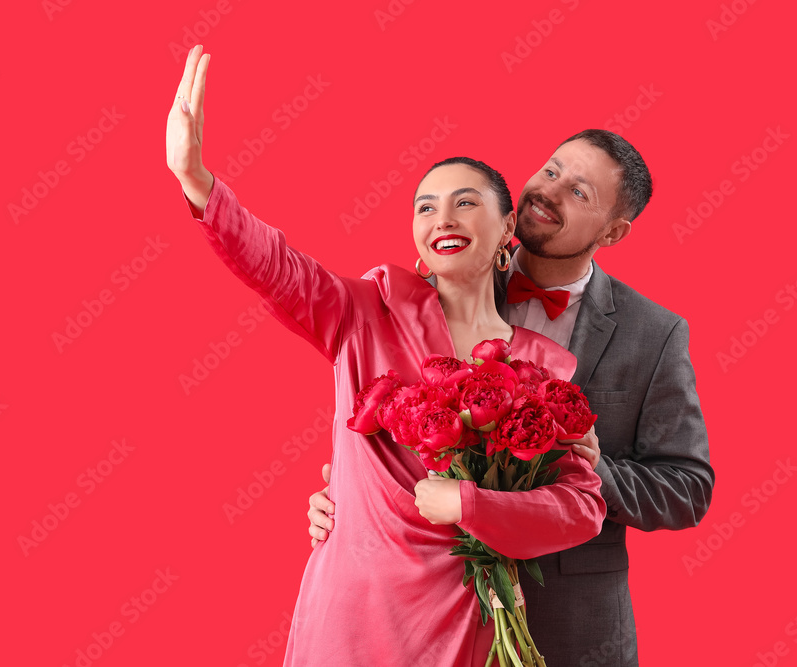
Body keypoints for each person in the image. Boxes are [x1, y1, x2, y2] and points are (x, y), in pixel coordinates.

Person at [167, 46, 606, 666]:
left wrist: (472, 505)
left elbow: (581, 507)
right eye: (425, 207)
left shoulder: (546, 369)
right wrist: (197, 180)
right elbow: (278, 269)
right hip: (353, 613)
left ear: (508, 228)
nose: (441, 217)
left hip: (468, 623)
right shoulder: (367, 310)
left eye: (465, 202)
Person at [309, 129, 715, 666]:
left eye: (579, 192)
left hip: (573, 621)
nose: (549, 191)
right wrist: (349, 497)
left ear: (614, 231)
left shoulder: (654, 333)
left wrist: (593, 468)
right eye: (551, 170)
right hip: (437, 614)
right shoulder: (450, 277)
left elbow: (688, 488)